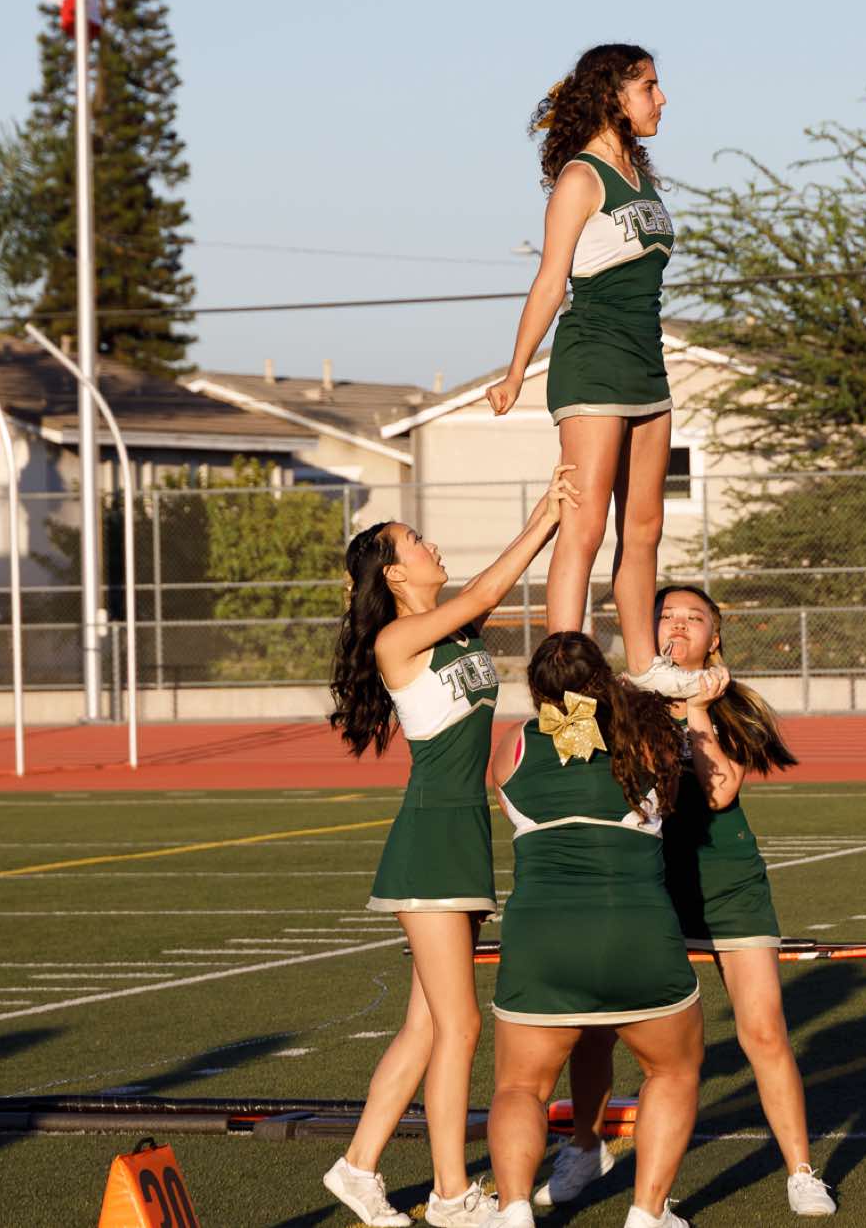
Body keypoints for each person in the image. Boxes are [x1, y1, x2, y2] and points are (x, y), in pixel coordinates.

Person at [320, 465, 578, 1228]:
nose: (431, 546)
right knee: (461, 1025)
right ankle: (450, 1193)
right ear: (394, 574)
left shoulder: (455, 632)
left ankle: (357, 1165)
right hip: (430, 842)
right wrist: (543, 517)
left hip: (464, 837)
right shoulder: (399, 639)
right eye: (416, 541)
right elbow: (487, 589)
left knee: (430, 1025)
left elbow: (492, 597)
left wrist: (559, 523)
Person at [537, 585, 837, 1218]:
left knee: (763, 1030)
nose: (677, 626)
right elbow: (560, 748)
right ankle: (585, 1150)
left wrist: (697, 707)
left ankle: (801, 1170)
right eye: (665, 616)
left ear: (714, 637)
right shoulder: (620, 699)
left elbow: (720, 793)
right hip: (643, 885)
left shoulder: (734, 704)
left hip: (728, 881)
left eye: (692, 618)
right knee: (596, 1029)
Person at [485, 43, 697, 701]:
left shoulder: (640, 175)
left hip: (645, 364)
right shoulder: (582, 178)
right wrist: (516, 371)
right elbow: (551, 281)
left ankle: (645, 664)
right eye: (649, 86)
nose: (661, 98)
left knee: (645, 527)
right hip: (593, 359)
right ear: (613, 95)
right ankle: (567, 684)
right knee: (584, 525)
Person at [482, 630, 704, 1228]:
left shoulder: (514, 745)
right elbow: (675, 797)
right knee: (672, 1070)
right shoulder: (648, 736)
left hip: (541, 938)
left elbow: (510, 796)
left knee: (519, 1089)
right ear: (603, 677)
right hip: (636, 928)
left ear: (536, 690)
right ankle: (647, 1213)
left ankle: (513, 1210)